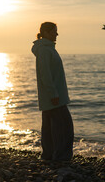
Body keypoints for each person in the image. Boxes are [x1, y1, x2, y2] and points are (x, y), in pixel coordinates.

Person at [31, 22, 74, 163]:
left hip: (52, 96)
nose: (57, 34)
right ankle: (61, 158)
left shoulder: (48, 48)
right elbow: (45, 75)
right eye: (54, 31)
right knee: (65, 127)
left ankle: (48, 156)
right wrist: (53, 94)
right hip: (54, 97)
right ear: (47, 33)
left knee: (49, 128)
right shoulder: (44, 50)